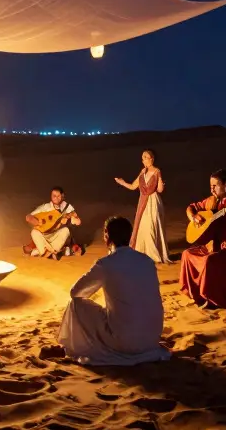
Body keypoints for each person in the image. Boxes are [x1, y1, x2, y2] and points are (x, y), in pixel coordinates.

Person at [57, 216, 171, 366]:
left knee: (75, 304)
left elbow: (75, 292)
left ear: (106, 235)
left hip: (124, 342)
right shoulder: (147, 261)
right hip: (151, 340)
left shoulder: (106, 264)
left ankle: (72, 346)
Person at [180, 169, 226, 309]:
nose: (212, 189)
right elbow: (191, 207)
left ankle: (211, 299)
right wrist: (194, 217)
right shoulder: (211, 201)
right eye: (210, 186)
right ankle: (196, 295)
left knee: (210, 260)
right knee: (187, 254)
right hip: (212, 246)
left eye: (215, 185)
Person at [115, 148, 171, 263]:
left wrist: (161, 181)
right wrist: (122, 182)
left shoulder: (156, 171)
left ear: (152, 159)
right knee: (144, 227)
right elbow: (133, 186)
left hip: (153, 202)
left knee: (152, 227)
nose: (143, 160)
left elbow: (160, 189)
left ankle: (153, 255)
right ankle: (143, 253)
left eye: (146, 157)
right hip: (142, 202)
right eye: (142, 158)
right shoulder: (142, 172)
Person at [24, 186, 83, 259]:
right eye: (54, 196)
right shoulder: (45, 207)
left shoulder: (67, 207)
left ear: (62, 196)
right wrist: (37, 222)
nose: (56, 198)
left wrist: (72, 218)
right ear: (51, 196)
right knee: (34, 232)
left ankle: (45, 252)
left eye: (58, 196)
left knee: (66, 230)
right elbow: (28, 217)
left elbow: (78, 222)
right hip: (45, 236)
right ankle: (54, 252)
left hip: (57, 237)